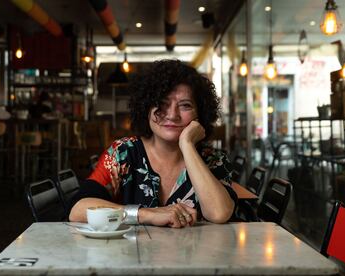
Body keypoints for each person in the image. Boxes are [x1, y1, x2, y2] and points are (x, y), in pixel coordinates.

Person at [69, 59, 237, 228]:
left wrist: (186, 144)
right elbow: (77, 210)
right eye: (162, 104)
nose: (172, 115)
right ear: (146, 108)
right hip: (130, 253)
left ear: (200, 113)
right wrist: (145, 214)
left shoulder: (213, 159)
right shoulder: (123, 153)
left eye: (185, 105)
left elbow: (219, 213)